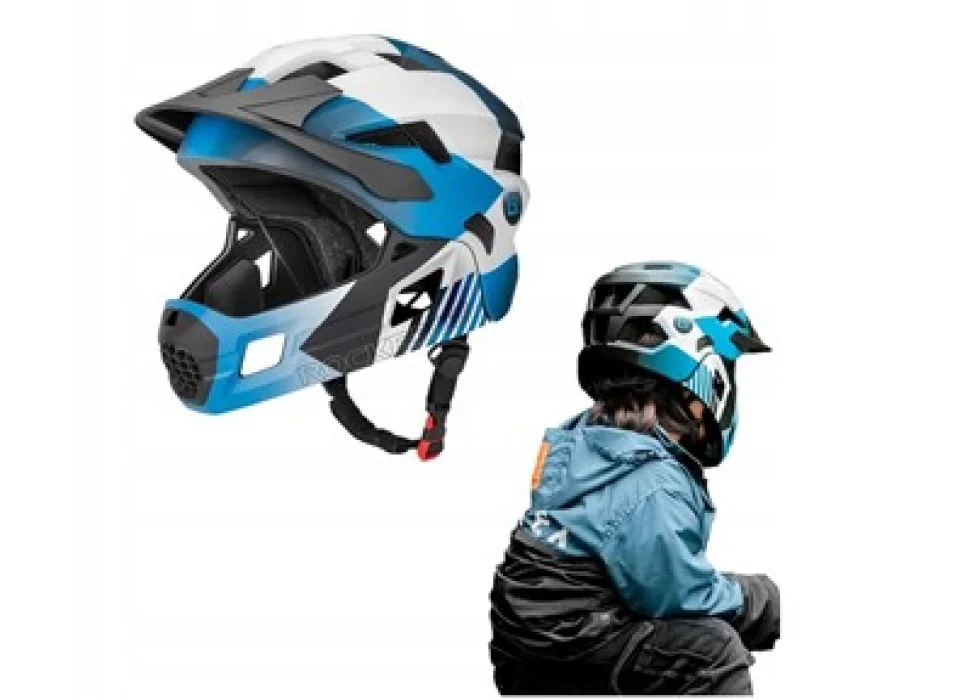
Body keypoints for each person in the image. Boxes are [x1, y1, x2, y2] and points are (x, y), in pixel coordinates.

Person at [489, 262, 780, 695]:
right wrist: (760, 599)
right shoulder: (653, 481)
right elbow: (676, 596)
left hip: (526, 646)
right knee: (712, 651)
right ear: (699, 374)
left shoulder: (583, 440)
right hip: (576, 641)